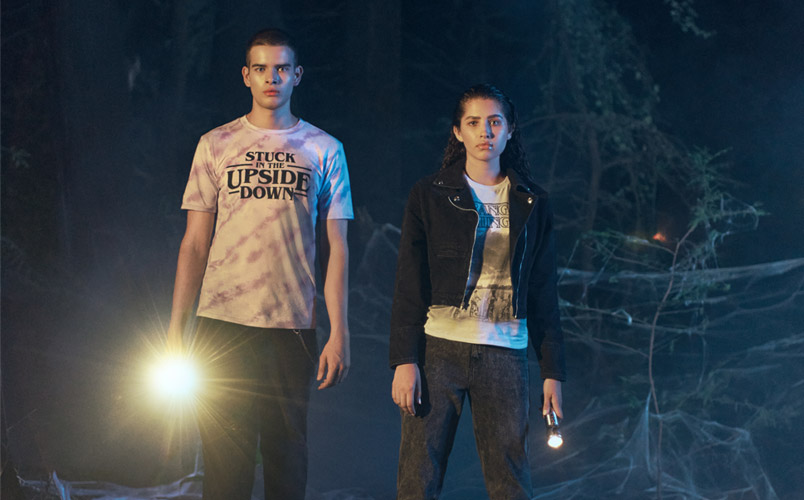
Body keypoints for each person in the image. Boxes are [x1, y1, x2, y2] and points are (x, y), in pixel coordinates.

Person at [166, 28, 352, 500]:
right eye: (262, 69)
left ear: (297, 75)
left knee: (287, 459)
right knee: (224, 465)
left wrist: (339, 332)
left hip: (291, 325)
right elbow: (194, 244)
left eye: (282, 69)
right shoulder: (216, 144)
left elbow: (337, 247)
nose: (272, 78)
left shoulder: (324, 149)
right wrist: (176, 327)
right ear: (246, 76)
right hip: (222, 322)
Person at [389, 84, 566, 499]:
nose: (485, 132)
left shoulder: (532, 201)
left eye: (494, 122)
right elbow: (410, 282)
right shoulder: (430, 195)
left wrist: (553, 372)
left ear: (509, 130)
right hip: (439, 351)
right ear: (458, 132)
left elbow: (544, 291)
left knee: (510, 481)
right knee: (417, 478)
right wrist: (404, 360)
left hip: (505, 353)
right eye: (473, 123)